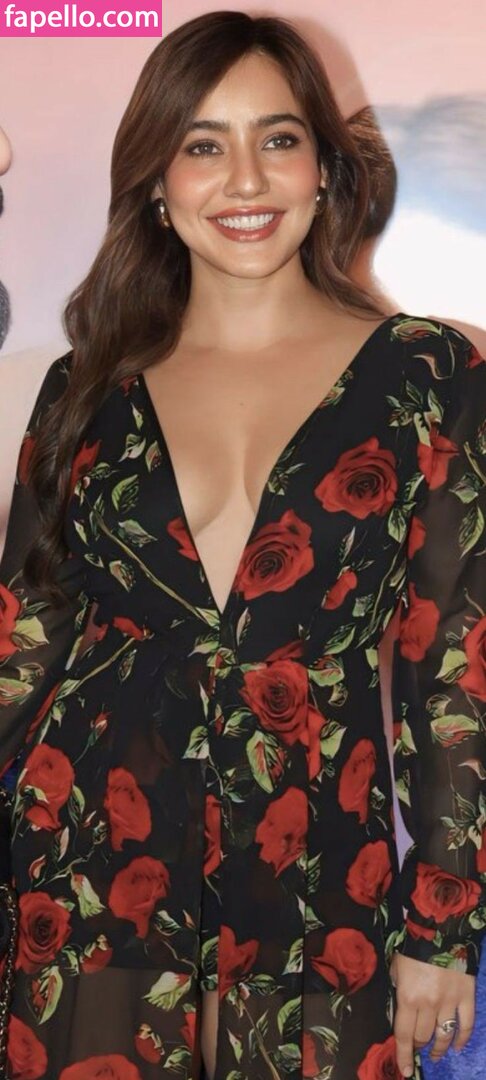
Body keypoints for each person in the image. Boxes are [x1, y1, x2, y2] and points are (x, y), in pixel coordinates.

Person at [0, 11, 484, 1080]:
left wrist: (442, 923)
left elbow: (455, 660)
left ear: (324, 169)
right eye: (203, 145)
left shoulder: (426, 373)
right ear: (158, 185)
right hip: (87, 862)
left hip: (322, 871)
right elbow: (23, 636)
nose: (247, 179)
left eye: (279, 138)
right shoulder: (85, 389)